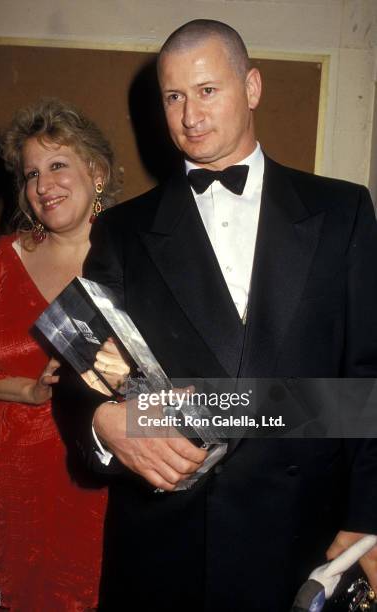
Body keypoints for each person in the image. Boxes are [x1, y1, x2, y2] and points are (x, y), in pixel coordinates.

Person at [79, 20, 377, 612]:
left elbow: (367, 375)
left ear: (254, 87)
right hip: (168, 543)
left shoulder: (343, 211)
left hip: (309, 538)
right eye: (173, 96)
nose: (190, 115)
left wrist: (369, 516)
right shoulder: (122, 230)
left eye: (208, 90)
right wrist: (104, 424)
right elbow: (86, 365)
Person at [0, 98, 128, 611]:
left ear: (96, 172)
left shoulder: (135, 260)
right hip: (14, 493)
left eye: (57, 165)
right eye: (31, 174)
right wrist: (25, 389)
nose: (43, 184)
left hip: (103, 487)